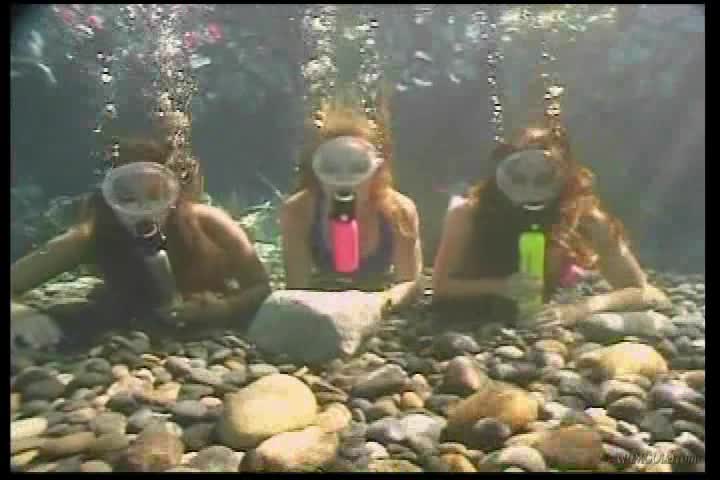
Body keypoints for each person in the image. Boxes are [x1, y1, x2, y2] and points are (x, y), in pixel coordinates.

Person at [11, 127, 271, 350]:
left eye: (156, 194)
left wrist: (225, 308)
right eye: (126, 197)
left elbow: (261, 286)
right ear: (107, 197)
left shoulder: (209, 223)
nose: (143, 209)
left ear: (175, 192)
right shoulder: (90, 236)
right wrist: (23, 316)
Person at [431, 120, 671, 328]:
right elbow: (441, 287)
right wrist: (501, 286)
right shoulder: (468, 213)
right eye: (519, 176)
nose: (530, 186)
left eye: (544, 176)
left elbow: (639, 289)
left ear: (565, 175)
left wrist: (582, 308)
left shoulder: (583, 216)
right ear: (500, 172)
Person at [279, 93, 423, 312]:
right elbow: (297, 289)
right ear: (315, 169)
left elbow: (410, 283)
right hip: (323, 303)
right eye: (331, 167)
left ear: (376, 169)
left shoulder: (399, 211)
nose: (344, 178)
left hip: (379, 304)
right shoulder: (298, 211)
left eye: (357, 167)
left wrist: (378, 305)